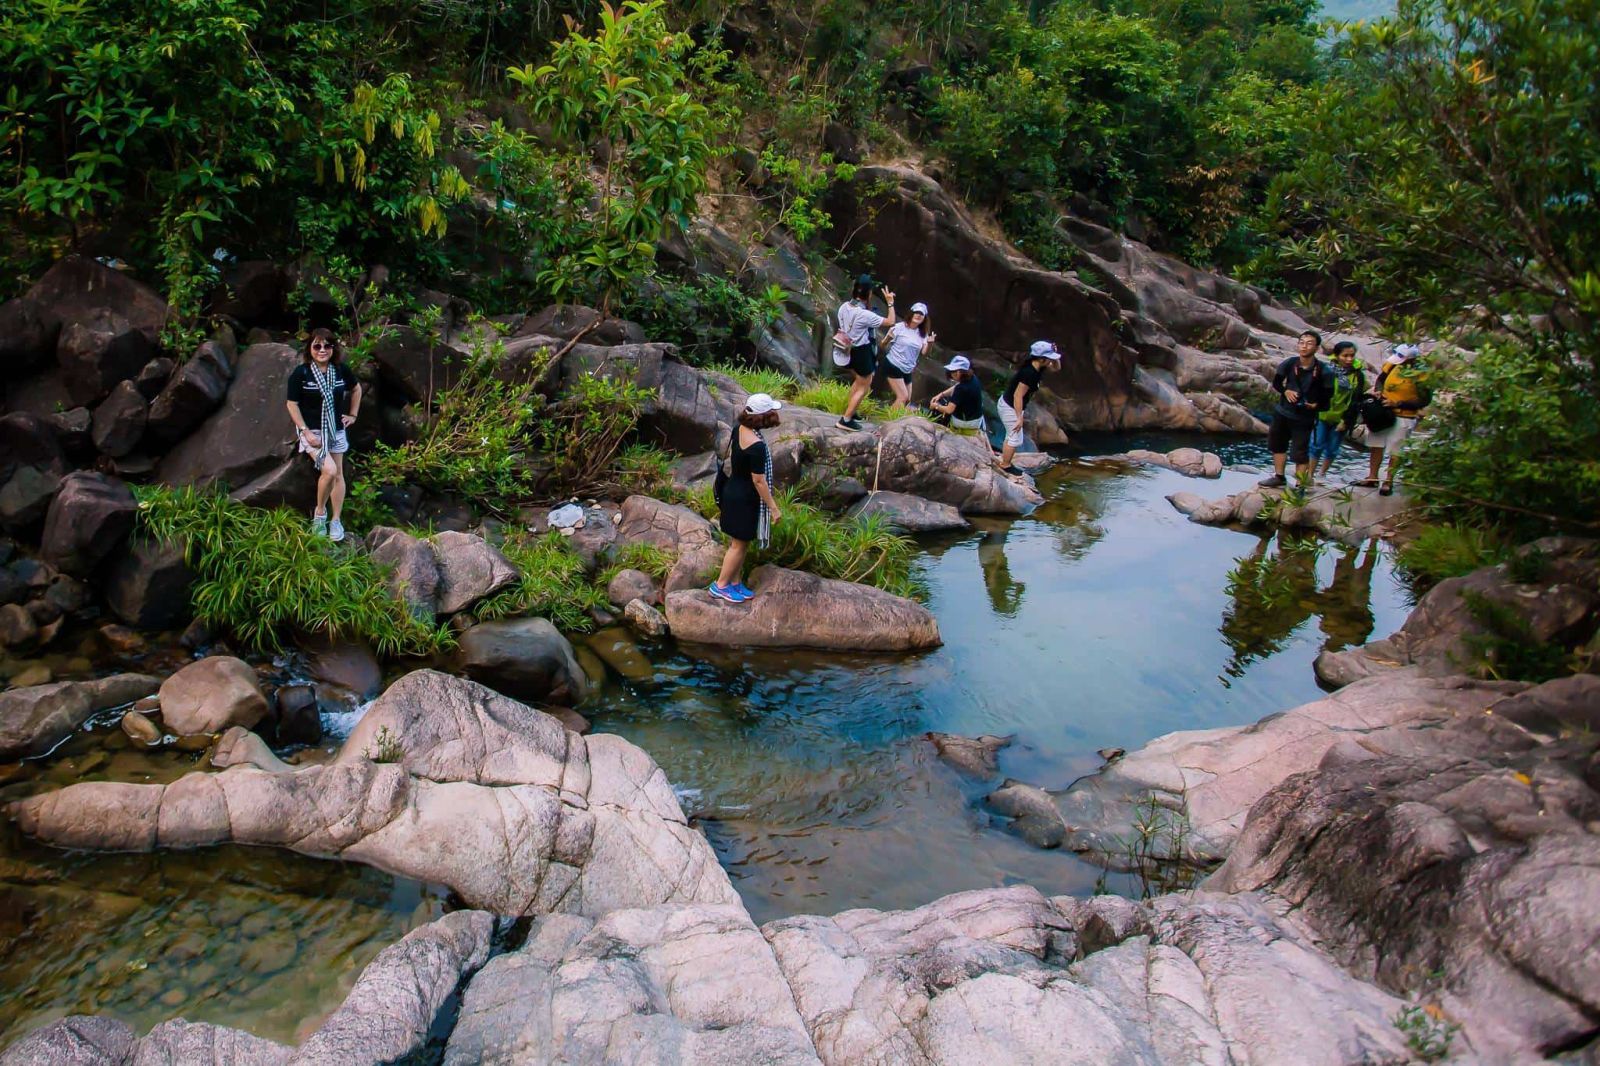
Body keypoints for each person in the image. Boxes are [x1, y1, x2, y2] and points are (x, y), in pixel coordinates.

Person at [285, 328, 361, 542]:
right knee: (329, 470)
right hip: (313, 432)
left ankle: (336, 520)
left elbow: (356, 389)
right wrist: (305, 431)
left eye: (327, 345)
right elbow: (292, 404)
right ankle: (320, 514)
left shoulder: (340, 370)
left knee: (338, 476)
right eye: (317, 345)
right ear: (310, 348)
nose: (322, 350)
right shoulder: (301, 373)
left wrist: (353, 414)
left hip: (336, 429)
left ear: (333, 348)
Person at [710, 393, 784, 602]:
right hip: (743, 500)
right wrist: (773, 508)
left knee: (741, 543)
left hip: (733, 491)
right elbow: (759, 481)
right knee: (738, 545)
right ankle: (721, 585)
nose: (775, 415)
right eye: (771, 412)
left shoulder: (739, 429)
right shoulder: (757, 447)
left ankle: (735, 582)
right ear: (763, 416)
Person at [1259, 330, 1331, 488]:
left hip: (1304, 417)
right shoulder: (1290, 363)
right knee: (1277, 444)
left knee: (1300, 451)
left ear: (1317, 348)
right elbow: (1277, 383)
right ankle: (1279, 476)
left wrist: (1315, 405)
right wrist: (1286, 391)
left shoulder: (1324, 371)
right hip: (1283, 411)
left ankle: (1300, 484)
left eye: (1309, 343)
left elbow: (1327, 398)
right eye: (1301, 342)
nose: (1304, 347)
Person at [1361, 343, 1431, 496]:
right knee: (1376, 444)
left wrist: (1398, 403)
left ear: (1411, 360)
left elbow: (1425, 400)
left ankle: (1388, 481)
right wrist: (1379, 391)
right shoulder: (1392, 365)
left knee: (1396, 449)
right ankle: (1372, 476)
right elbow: (1380, 379)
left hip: (1404, 415)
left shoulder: (1421, 374)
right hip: (1384, 411)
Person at [835, 275, 895, 429]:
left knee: (859, 381)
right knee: (865, 385)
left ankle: (851, 411)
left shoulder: (843, 307)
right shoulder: (864, 315)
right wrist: (890, 303)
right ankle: (846, 420)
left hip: (849, 349)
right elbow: (890, 321)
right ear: (869, 294)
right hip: (861, 351)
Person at [996, 340, 1059, 475]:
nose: (1051, 361)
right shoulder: (1028, 373)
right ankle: (1005, 465)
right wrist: (1019, 418)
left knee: (1013, 436)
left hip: (1013, 405)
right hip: (1010, 406)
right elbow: (1017, 396)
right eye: (1049, 358)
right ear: (1041, 358)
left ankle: (1005, 461)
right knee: (1014, 437)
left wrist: (1055, 354)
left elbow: (1056, 368)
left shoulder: (1039, 366)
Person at [1308, 340, 1366, 483]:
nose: (1349, 359)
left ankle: (1322, 474)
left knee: (1332, 448)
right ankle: (1309, 475)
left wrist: (1346, 421)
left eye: (1352, 356)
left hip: (1342, 417)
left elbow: (1356, 400)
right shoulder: (1326, 370)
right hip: (1322, 414)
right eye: (1345, 355)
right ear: (1337, 355)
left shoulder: (1358, 375)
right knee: (1316, 444)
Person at [928, 355, 991, 452]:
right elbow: (957, 386)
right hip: (977, 420)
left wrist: (935, 406)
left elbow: (949, 410)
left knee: (944, 409)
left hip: (964, 423)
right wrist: (941, 394)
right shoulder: (973, 379)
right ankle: (987, 446)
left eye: (952, 372)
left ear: (958, 372)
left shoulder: (961, 389)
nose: (950, 374)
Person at [880, 301, 935, 409]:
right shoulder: (899, 327)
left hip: (907, 369)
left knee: (907, 399)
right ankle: (888, 423)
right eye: (917, 312)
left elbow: (924, 353)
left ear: (924, 318)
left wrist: (930, 343)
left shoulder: (922, 334)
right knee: (902, 397)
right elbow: (882, 345)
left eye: (922, 314)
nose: (919, 315)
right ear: (911, 313)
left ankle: (895, 417)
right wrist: (888, 338)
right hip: (893, 364)